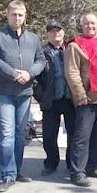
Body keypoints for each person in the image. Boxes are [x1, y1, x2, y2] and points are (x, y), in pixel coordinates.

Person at [0, 0, 45, 193]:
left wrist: (29, 74)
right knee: (7, 133)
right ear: (7, 14)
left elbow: (41, 60)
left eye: (20, 15)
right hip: (5, 92)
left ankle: (17, 170)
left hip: (25, 92)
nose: (17, 18)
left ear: (25, 16)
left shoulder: (33, 38)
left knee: (20, 134)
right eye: (14, 14)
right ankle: (7, 174)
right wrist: (14, 73)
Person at [65, 12, 97, 187]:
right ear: (82, 26)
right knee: (82, 138)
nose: (90, 26)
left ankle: (91, 167)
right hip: (87, 99)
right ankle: (77, 172)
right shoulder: (74, 46)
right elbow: (72, 72)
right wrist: (80, 95)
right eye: (86, 23)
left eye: (93, 23)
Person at [33, 21, 75, 176]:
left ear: (63, 32)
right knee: (50, 134)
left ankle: (71, 162)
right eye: (52, 31)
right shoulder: (41, 52)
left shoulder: (71, 50)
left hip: (70, 98)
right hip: (50, 99)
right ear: (48, 34)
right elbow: (34, 77)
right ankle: (51, 162)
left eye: (58, 30)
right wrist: (40, 95)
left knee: (73, 132)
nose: (55, 33)